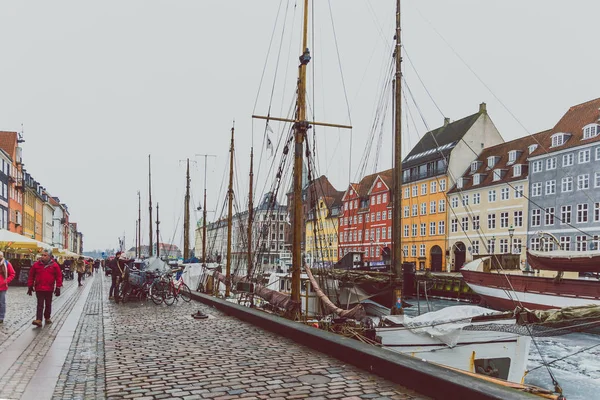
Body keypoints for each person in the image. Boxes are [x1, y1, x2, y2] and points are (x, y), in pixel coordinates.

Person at [27, 249, 62, 327]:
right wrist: (30, 285)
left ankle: (47, 317)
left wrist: (58, 287)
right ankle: (39, 319)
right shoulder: (36, 265)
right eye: (42, 255)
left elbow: (59, 276)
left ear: (49, 256)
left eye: (45, 255)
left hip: (49, 288)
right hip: (39, 287)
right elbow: (31, 275)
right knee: (40, 304)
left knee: (48, 304)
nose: (42, 256)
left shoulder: (54, 265)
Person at [0, 251, 16, 324]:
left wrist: (6, 281)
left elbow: (12, 273)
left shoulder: (6, 263)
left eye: (0, 256)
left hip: (2, 287)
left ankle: (1, 317)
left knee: (2, 302)